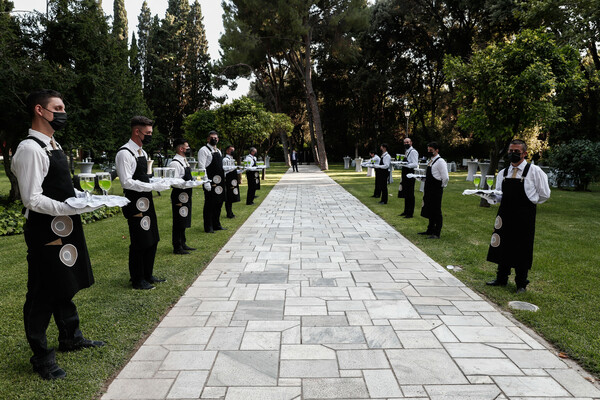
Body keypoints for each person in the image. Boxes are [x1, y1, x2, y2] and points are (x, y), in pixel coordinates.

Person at [11, 89, 104, 380]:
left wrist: (83, 199)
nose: (63, 112)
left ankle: (70, 337)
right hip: (44, 230)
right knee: (42, 291)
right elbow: (32, 199)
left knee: (63, 283)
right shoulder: (29, 149)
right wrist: (68, 207)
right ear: (40, 110)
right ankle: (41, 357)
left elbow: (62, 185)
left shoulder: (53, 144)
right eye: (58, 107)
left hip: (63, 224)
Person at [486, 139, 550, 293]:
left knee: (522, 247)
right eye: (510, 151)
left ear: (525, 153)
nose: (513, 154)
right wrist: (490, 196)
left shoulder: (534, 171)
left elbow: (545, 194)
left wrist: (530, 204)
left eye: (517, 152)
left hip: (524, 215)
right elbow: (499, 194)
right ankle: (501, 278)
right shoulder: (503, 172)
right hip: (505, 213)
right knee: (503, 245)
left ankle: (521, 283)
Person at [116, 116, 168, 290]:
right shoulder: (124, 153)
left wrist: (155, 183)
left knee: (152, 238)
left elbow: (146, 175)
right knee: (140, 240)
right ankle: (137, 279)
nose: (150, 135)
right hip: (134, 202)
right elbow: (126, 182)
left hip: (146, 200)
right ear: (136, 131)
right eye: (148, 133)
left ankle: (148, 274)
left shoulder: (143, 152)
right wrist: (148, 186)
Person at [168, 138, 196, 254]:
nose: (188, 149)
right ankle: (177, 246)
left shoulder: (184, 160)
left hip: (186, 193)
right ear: (181, 148)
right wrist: (187, 183)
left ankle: (183, 243)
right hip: (179, 194)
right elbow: (174, 181)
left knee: (184, 218)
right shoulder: (175, 163)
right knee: (179, 220)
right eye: (187, 147)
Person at [197, 131, 226, 233]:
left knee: (219, 203)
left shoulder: (218, 150)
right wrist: (206, 182)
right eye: (212, 137)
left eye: (216, 138)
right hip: (210, 181)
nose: (214, 139)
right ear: (208, 139)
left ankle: (216, 224)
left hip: (220, 182)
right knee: (210, 204)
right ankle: (208, 226)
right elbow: (201, 167)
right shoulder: (203, 150)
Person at [419, 142, 448, 239]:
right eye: (428, 150)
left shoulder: (440, 162)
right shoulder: (431, 160)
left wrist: (441, 186)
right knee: (430, 209)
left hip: (436, 188)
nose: (429, 152)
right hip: (429, 188)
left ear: (437, 150)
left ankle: (437, 233)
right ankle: (430, 229)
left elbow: (445, 177)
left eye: (431, 150)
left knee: (436, 210)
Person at [398, 138, 419, 218]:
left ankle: (410, 213)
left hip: (410, 173)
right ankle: (406, 211)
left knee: (410, 193)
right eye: (404, 142)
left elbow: (415, 164)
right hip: (405, 173)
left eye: (407, 142)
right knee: (405, 193)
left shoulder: (413, 152)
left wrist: (405, 165)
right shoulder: (407, 151)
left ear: (411, 142)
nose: (406, 143)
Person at [224, 145, 241, 218]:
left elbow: (233, 169)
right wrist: (233, 168)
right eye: (231, 150)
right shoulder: (225, 159)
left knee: (232, 196)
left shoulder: (232, 159)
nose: (233, 152)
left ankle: (230, 212)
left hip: (233, 178)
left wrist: (240, 170)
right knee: (229, 196)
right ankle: (229, 213)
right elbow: (224, 168)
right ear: (227, 151)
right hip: (228, 179)